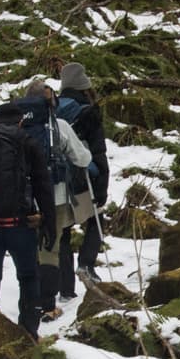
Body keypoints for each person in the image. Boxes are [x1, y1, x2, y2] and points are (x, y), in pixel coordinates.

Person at [0, 100, 54, 336]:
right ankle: (28, 333)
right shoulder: (28, 144)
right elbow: (43, 186)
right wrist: (48, 222)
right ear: (20, 121)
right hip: (20, 225)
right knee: (28, 277)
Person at [16, 83, 93, 321]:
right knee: (50, 248)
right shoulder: (58, 126)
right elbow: (82, 158)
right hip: (55, 197)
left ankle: (27, 301)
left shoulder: (12, 126)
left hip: (20, 197)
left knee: (27, 250)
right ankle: (47, 305)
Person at [55, 62, 109, 290]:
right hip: (84, 174)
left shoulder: (51, 110)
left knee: (64, 229)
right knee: (96, 219)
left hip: (58, 178)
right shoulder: (87, 112)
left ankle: (66, 286)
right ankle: (86, 264)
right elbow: (98, 152)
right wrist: (102, 186)